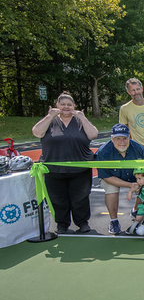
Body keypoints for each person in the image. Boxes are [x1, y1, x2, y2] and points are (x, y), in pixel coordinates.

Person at [32, 92, 98, 234]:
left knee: (80, 198)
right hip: (54, 169)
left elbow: (93, 134)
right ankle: (62, 224)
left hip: (79, 169)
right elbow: (37, 132)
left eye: (69, 104)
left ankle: (82, 223)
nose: (66, 107)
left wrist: (83, 117)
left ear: (74, 106)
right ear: (57, 106)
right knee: (58, 199)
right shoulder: (50, 121)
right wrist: (50, 116)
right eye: (63, 104)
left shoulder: (80, 121)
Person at [95, 123, 144, 234]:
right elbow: (106, 177)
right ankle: (114, 221)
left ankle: (136, 211)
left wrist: (141, 183)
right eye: (118, 139)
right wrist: (130, 186)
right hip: (113, 178)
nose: (122, 142)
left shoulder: (139, 148)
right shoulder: (103, 152)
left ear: (129, 137)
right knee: (111, 189)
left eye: (124, 138)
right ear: (112, 138)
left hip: (135, 177)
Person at [119, 78, 144, 163]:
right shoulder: (124, 109)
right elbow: (124, 129)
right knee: (142, 175)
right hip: (138, 148)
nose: (136, 92)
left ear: (142, 89)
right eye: (133, 90)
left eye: (138, 89)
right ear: (128, 92)